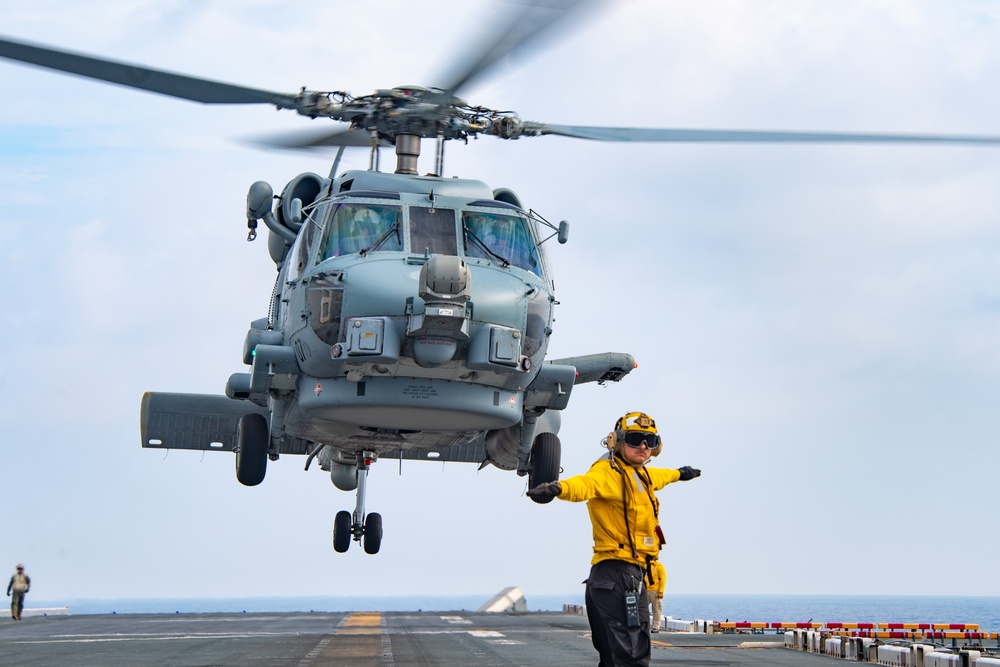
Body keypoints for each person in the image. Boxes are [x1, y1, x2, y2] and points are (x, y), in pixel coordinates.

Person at [527, 411, 701, 667]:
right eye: (635, 439)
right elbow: (584, 485)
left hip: (613, 577)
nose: (643, 446)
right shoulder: (608, 472)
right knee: (632, 655)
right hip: (620, 576)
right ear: (617, 442)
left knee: (612, 657)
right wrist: (558, 488)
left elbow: (663, 475)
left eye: (650, 441)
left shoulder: (642, 474)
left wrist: (681, 473)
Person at [649, 560, 666, 633]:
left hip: (655, 591)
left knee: (656, 609)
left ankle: (656, 627)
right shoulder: (644, 565)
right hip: (645, 590)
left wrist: (661, 591)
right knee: (641, 609)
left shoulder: (659, 567)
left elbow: (663, 580)